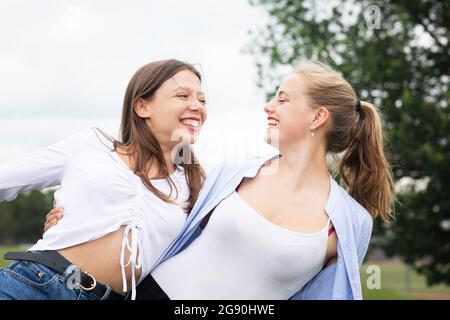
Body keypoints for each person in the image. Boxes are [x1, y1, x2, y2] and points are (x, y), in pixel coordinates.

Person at [45, 61, 394, 300]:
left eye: (283, 99)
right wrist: (78, 216)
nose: (268, 106)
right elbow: (158, 213)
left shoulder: (349, 222)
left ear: (317, 117)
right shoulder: (236, 172)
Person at [0, 59, 207, 300]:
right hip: (36, 285)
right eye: (183, 96)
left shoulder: (195, 187)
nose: (197, 106)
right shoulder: (90, 145)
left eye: (202, 100)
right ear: (142, 107)